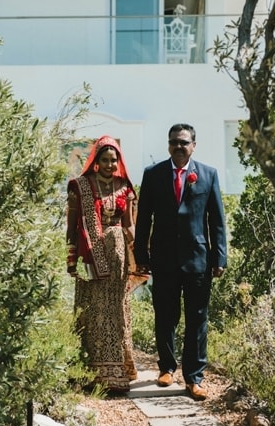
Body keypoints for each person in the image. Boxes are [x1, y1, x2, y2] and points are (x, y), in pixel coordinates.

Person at [133, 123, 228, 401]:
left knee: (197, 319)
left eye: (184, 142)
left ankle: (194, 378)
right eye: (174, 141)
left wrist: (219, 256)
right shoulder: (153, 175)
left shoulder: (208, 175)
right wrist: (141, 255)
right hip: (163, 258)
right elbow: (143, 219)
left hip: (198, 259)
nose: (179, 146)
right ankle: (166, 368)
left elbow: (217, 220)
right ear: (168, 144)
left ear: (193, 146)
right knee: (165, 315)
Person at [66, 135, 145, 394]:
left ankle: (117, 374)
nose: (111, 165)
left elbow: (129, 225)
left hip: (118, 256)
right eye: (105, 160)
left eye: (114, 160)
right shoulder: (81, 187)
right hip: (90, 255)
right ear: (96, 162)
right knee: (92, 309)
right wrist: (71, 257)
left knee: (115, 310)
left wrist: (139, 254)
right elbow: (72, 226)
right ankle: (88, 373)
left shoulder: (125, 187)